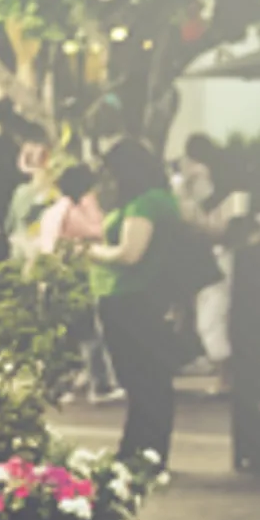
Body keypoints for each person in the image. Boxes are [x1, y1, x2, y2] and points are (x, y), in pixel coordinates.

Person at [84, 139, 180, 469]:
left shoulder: (144, 205)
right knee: (149, 377)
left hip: (130, 298)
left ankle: (142, 450)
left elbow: (129, 253)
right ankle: (144, 447)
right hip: (146, 297)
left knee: (140, 378)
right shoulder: (162, 200)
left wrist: (91, 252)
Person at [38, 165, 121, 403]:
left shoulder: (53, 211)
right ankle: (100, 386)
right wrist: (93, 206)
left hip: (52, 278)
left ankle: (60, 384)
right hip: (70, 279)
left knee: (63, 335)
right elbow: (98, 231)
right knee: (89, 334)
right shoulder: (72, 212)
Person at [175, 133, 234, 389]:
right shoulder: (219, 186)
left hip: (219, 260)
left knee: (212, 320)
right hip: (211, 261)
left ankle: (227, 379)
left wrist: (189, 208)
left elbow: (214, 228)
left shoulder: (211, 187)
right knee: (213, 320)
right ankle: (225, 379)